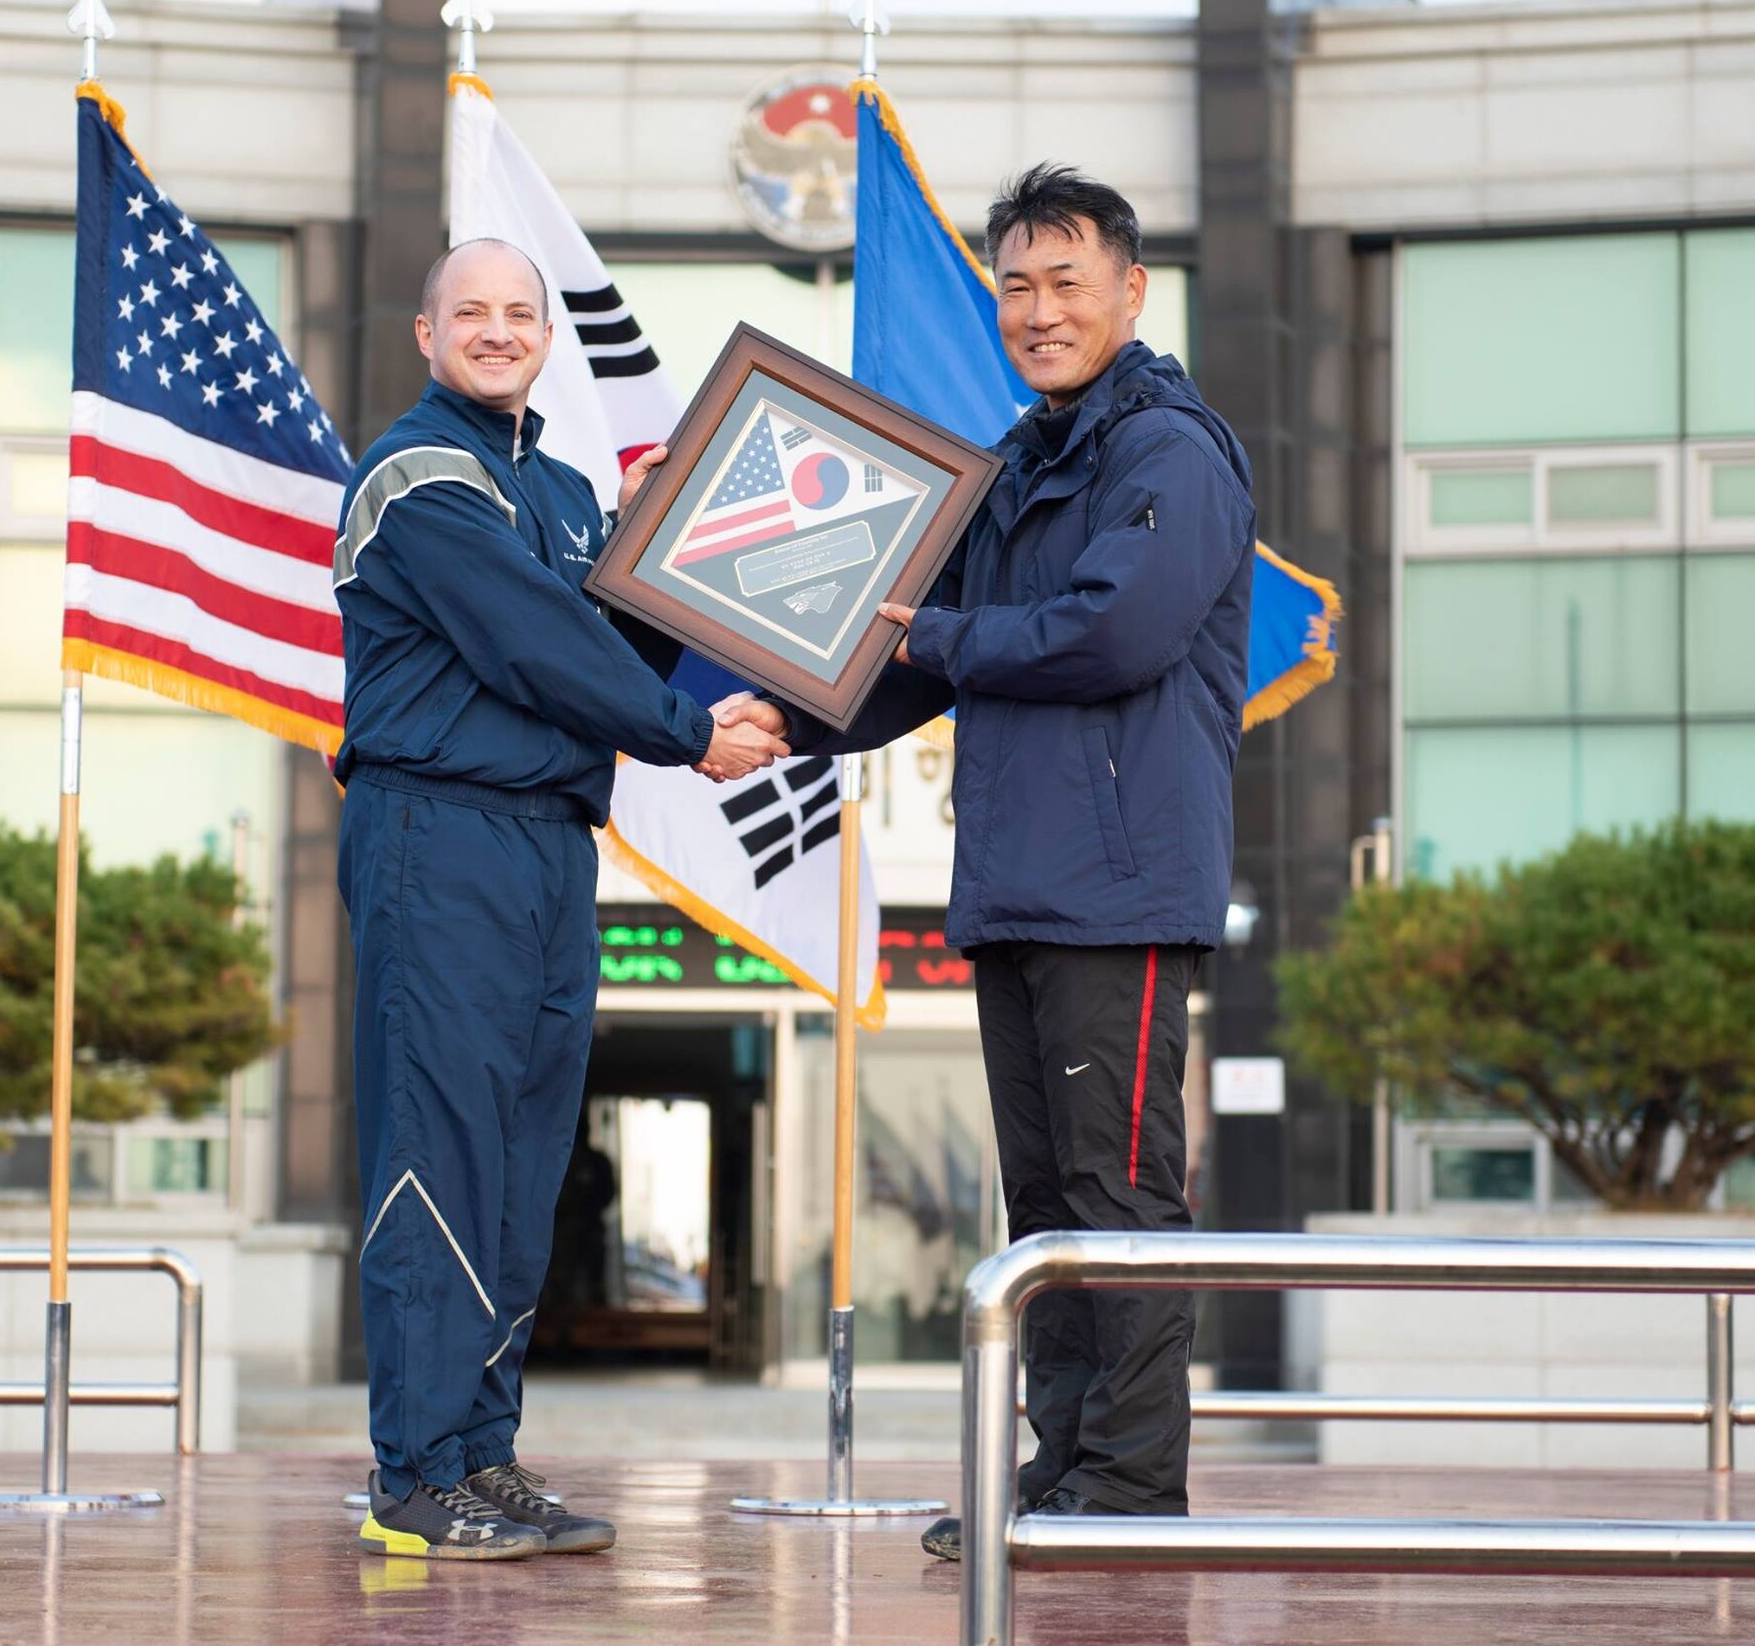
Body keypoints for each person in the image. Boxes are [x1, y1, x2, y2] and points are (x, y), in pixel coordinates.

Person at [717, 166, 1255, 1558]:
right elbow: (912, 646)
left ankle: (1129, 1492)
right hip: (1022, 885)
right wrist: (788, 714)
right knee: (1050, 1212)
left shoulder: (1170, 453)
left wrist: (934, 641)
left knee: (1119, 1198)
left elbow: (1111, 629)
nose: (1037, 308)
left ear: (1132, 291)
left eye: (1066, 280)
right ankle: (1063, 1476)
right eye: (1015, 283)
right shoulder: (1024, 460)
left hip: (1119, 890)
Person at [334, 237, 787, 1562]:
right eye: (467, 308)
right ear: (426, 334)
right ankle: (414, 1478)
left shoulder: (573, 491)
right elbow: (534, 636)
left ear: (547, 337)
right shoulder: (418, 480)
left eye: (518, 311)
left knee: (526, 1161)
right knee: (441, 1148)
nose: (495, 327)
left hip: (548, 843)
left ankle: (482, 1448)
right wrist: (686, 731)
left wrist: (716, 541)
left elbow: (615, 627)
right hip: (439, 832)